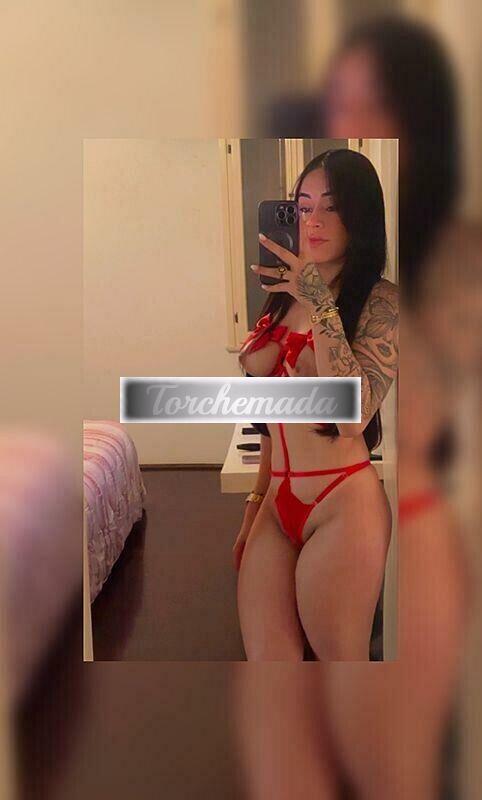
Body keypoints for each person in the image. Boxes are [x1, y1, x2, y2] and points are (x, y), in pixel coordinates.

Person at [235, 148, 399, 662]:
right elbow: (271, 420)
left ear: (360, 216)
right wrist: (253, 505)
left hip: (341, 503)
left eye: (331, 206)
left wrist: (321, 303)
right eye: (303, 207)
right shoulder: (281, 295)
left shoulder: (382, 302)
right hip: (276, 505)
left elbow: (353, 417)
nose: (313, 220)